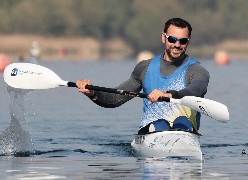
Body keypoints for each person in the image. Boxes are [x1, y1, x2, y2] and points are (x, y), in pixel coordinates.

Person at [76, 18, 210, 134]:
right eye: (172, 39)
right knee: (161, 124)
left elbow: (197, 89)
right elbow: (114, 99)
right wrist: (92, 93)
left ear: (188, 41)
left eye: (183, 41)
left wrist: (169, 94)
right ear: (164, 37)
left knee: (182, 122)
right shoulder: (144, 68)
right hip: (152, 133)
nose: (177, 45)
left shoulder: (196, 69)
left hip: (185, 132)